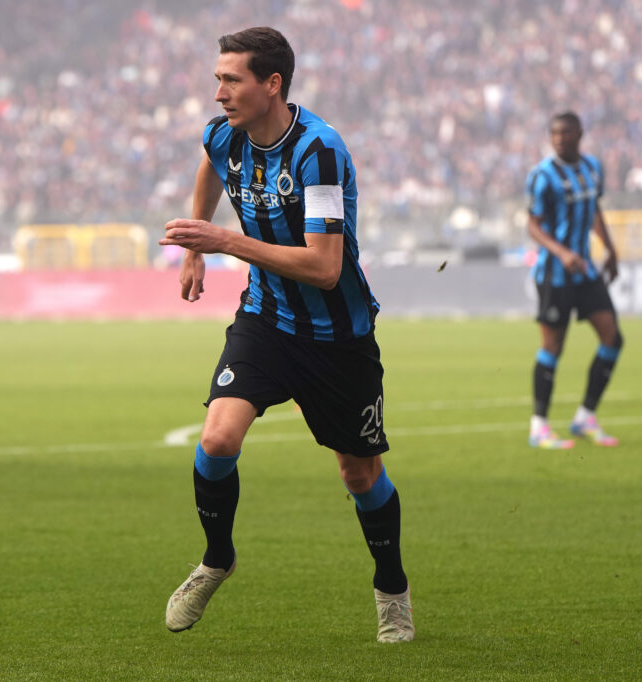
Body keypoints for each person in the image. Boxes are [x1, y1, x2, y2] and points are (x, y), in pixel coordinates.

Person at [158, 27, 413, 643]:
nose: (219, 92)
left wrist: (224, 241)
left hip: (337, 336)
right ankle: (217, 558)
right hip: (267, 321)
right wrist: (196, 245)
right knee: (217, 438)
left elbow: (324, 268)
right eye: (218, 79)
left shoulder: (318, 151)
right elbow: (210, 164)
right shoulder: (225, 134)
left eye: (231, 80)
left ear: (272, 84)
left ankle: (392, 588)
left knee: (359, 475)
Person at [525, 111, 624, 449]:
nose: (559, 139)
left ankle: (585, 417)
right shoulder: (542, 176)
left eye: (565, 133)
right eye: (554, 134)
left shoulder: (593, 167)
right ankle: (539, 427)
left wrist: (610, 249)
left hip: (585, 271)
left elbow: (593, 210)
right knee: (553, 346)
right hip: (554, 274)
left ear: (579, 134)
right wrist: (562, 252)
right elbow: (533, 225)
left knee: (612, 338)